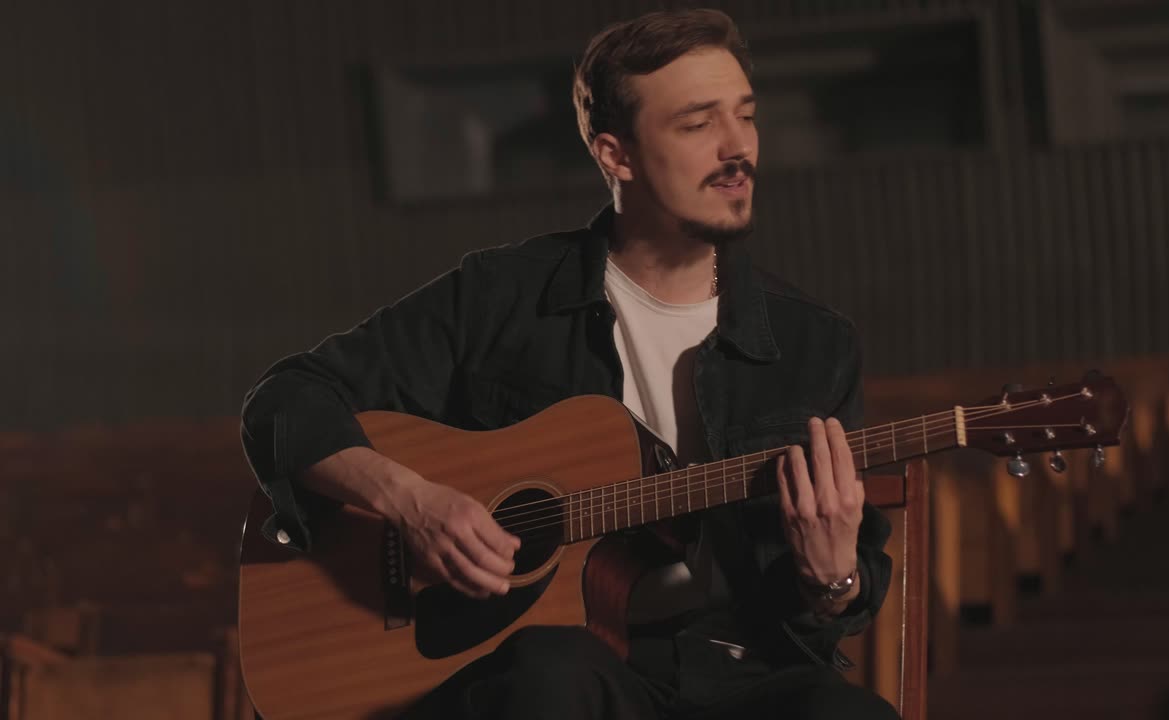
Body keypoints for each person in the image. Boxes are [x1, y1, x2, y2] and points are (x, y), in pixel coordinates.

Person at [241, 8, 898, 720]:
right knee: (553, 673)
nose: (738, 147)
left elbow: (832, 613)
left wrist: (832, 576)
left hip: (736, 672)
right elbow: (286, 403)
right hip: (545, 668)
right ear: (615, 155)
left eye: (745, 115)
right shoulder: (501, 297)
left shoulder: (814, 344)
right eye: (698, 123)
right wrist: (408, 500)